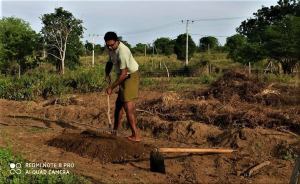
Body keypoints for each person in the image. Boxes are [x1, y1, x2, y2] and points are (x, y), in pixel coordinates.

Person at [104, 31, 141, 142]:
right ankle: (115, 131)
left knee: (128, 107)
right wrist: (107, 74)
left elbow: (124, 74)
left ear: (117, 41)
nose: (110, 47)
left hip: (130, 77)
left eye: (112, 45)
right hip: (122, 76)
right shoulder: (111, 49)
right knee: (118, 106)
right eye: (108, 45)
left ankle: (136, 135)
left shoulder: (123, 52)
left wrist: (111, 87)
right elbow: (110, 61)